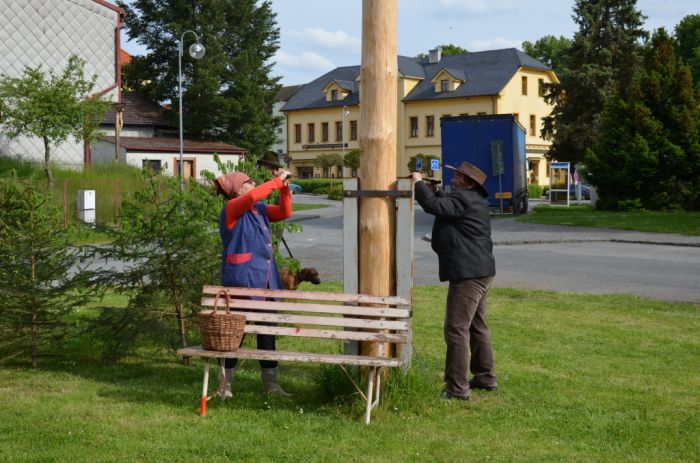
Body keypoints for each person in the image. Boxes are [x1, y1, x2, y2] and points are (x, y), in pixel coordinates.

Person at [411, 161, 497, 400]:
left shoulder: (464, 199)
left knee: (456, 329)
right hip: (480, 271)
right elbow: (445, 205)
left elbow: (432, 206)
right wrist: (433, 189)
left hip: (468, 275)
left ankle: (457, 388)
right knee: (477, 326)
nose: (453, 178)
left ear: (469, 183)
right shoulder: (471, 199)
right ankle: (485, 377)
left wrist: (417, 182)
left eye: (458, 176)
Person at [213, 168, 293, 397]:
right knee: (235, 334)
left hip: (265, 281)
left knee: (267, 331)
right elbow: (251, 196)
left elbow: (285, 211)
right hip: (242, 280)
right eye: (249, 181)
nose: (254, 183)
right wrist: (276, 181)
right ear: (238, 189)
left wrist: (284, 188)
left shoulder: (258, 209)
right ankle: (224, 385)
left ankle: (271, 385)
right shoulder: (232, 207)